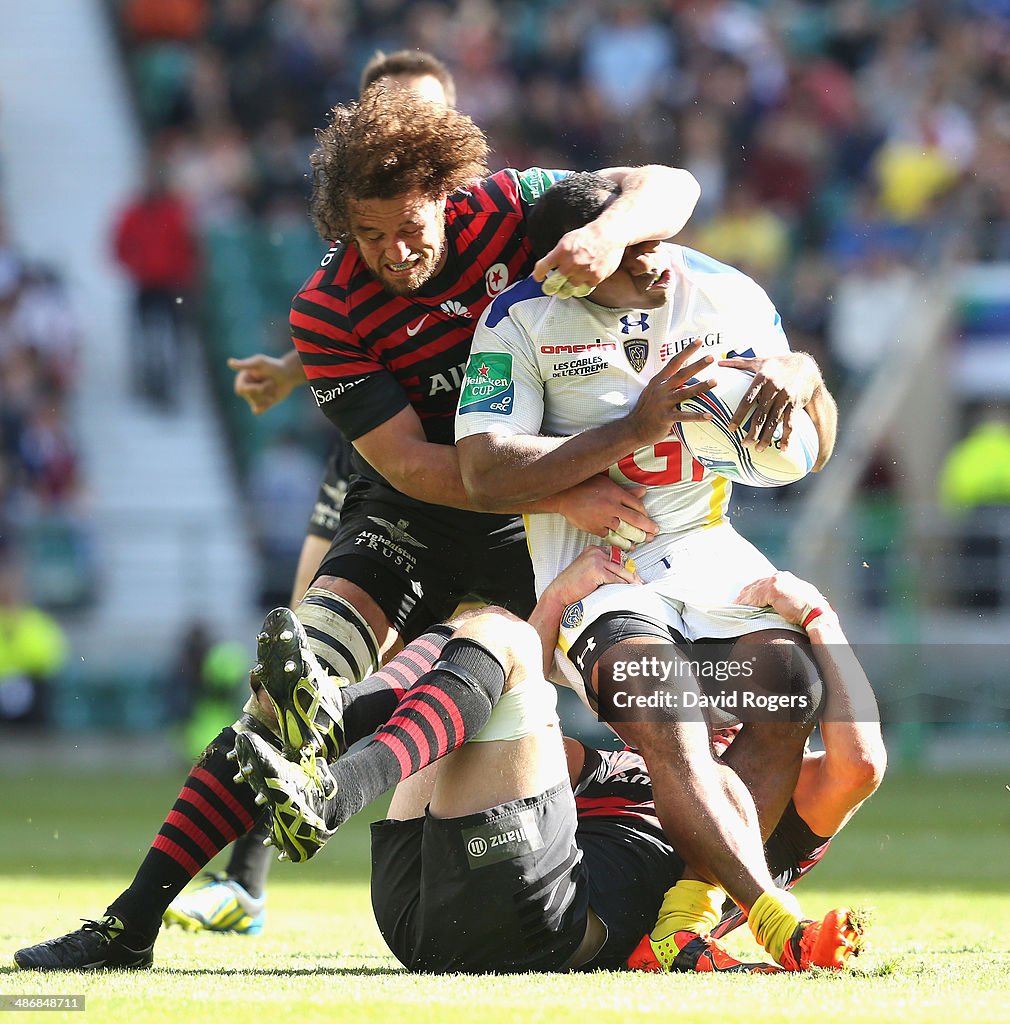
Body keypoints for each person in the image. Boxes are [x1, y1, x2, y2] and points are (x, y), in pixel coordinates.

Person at [12, 88, 701, 968]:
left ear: (448, 196)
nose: (393, 253)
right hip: (419, 513)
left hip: (520, 534)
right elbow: (413, 466)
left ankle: (323, 785)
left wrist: (607, 235)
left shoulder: (508, 207)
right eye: (368, 236)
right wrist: (562, 488)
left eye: (408, 227)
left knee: (481, 652)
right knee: (297, 674)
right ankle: (129, 923)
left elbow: (667, 183)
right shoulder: (327, 308)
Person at [454, 171, 847, 971]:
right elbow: (484, 471)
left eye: (655, 238)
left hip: (708, 554)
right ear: (574, 265)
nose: (655, 261)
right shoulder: (520, 319)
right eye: (629, 250)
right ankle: (774, 917)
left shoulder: (721, 290)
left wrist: (803, 375)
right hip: (600, 573)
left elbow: (820, 437)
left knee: (790, 690)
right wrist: (631, 430)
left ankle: (680, 923)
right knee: (671, 718)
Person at [165, 48, 483, 936]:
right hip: (376, 462)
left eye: (417, 117)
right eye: (384, 112)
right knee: (300, 651)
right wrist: (288, 369)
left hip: (476, 475)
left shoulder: (475, 226)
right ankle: (248, 878)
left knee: (480, 663)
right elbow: (361, 314)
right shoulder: (364, 219)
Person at [233, 556, 880, 974]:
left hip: (540, 924)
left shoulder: (767, 810)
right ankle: (332, 736)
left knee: (500, 637)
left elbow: (860, 765)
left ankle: (333, 759)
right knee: (466, 632)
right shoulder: (624, 764)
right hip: (419, 903)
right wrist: (557, 600)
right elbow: (506, 719)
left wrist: (819, 620)